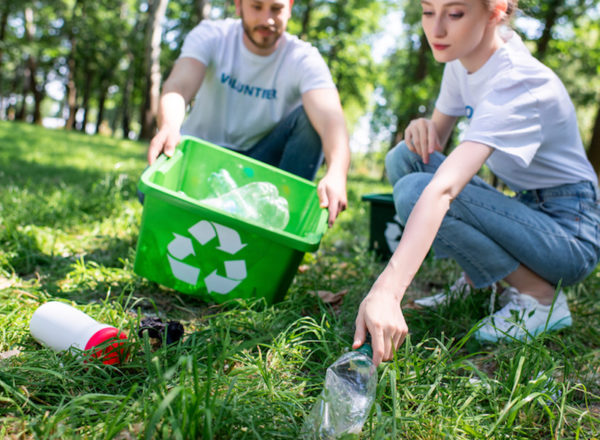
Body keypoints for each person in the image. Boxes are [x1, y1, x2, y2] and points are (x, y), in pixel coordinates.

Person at [353, 0, 600, 367]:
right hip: (526, 210)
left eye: (454, 14)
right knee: (402, 158)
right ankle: (481, 280)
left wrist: (388, 290)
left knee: (418, 191)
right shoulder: (460, 61)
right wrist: (420, 130)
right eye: (427, 11)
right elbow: (430, 145)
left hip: (569, 233)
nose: (436, 30)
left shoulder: (516, 80)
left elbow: (444, 188)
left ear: (495, 11)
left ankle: (539, 297)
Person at [146, 0, 350, 226]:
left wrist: (337, 173)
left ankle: (284, 223)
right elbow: (179, 86)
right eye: (256, 6)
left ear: (289, 8)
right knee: (148, 195)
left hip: (261, 166)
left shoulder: (304, 59)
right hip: (201, 158)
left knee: (311, 122)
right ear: (238, 6)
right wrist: (169, 127)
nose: (266, 20)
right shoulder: (212, 35)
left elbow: (331, 118)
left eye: (276, 9)